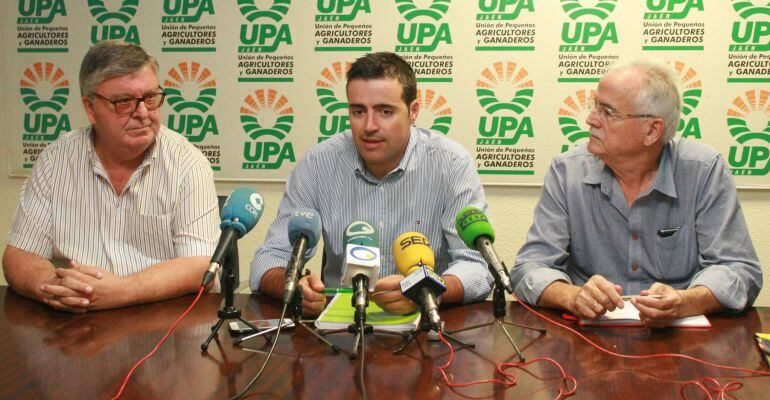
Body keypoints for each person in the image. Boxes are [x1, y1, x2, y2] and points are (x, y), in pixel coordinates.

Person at [511, 60, 762, 328]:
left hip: (680, 341)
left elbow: (739, 270)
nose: (591, 119)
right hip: (588, 340)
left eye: (607, 111)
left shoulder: (703, 170)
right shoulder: (567, 171)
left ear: (652, 130)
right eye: (595, 106)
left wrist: (684, 301)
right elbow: (528, 269)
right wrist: (572, 295)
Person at [250, 52, 492, 316]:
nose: (369, 126)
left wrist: (427, 290)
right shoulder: (317, 164)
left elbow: (477, 266)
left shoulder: (451, 163)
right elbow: (267, 260)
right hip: (341, 328)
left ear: (413, 112)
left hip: (429, 323)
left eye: (385, 111)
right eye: (358, 111)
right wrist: (293, 286)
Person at [2, 40, 219, 312]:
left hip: (159, 323)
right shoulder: (56, 160)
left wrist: (125, 291)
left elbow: (201, 266)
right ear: (91, 108)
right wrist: (54, 286)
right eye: (125, 102)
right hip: (73, 322)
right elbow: (19, 255)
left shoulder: (188, 164)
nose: (142, 113)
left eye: (150, 98)